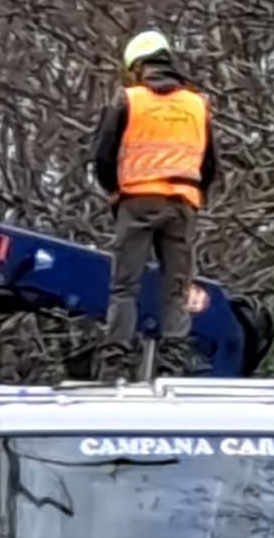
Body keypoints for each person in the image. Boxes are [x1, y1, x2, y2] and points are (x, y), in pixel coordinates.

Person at [92, 28, 217, 370]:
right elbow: (209, 164)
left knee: (124, 287)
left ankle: (116, 358)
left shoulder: (128, 100)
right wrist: (192, 193)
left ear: (138, 67)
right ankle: (174, 356)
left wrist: (114, 191)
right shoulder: (196, 105)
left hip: (137, 201)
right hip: (181, 203)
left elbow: (103, 156)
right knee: (176, 287)